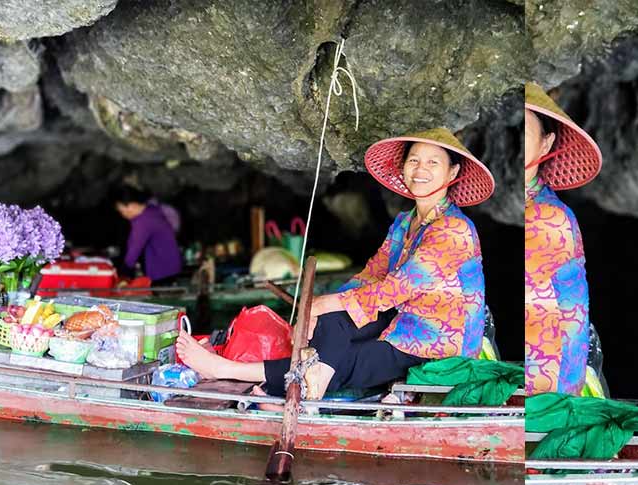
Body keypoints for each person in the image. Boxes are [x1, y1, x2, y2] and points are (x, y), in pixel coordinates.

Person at [178, 128, 495, 401]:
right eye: (414, 160)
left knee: (349, 355)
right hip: (401, 318)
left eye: (432, 163)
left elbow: (398, 288)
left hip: (435, 339)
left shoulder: (453, 229)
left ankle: (229, 370)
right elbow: (372, 274)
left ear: (452, 173)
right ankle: (312, 379)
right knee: (333, 322)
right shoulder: (405, 222)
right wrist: (320, 308)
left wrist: (324, 303)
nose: (420, 169)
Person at [524, 82, 601, 396]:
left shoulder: (550, 219)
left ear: (546, 145)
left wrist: (556, 405)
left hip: (554, 375)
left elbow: (570, 322)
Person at [113, 185, 183, 286]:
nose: (123, 215)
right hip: (170, 266)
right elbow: (132, 241)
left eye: (122, 211)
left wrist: (124, 272)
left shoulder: (144, 221)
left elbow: (135, 248)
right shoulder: (150, 210)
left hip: (162, 271)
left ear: (130, 205)